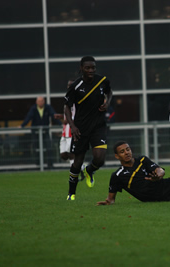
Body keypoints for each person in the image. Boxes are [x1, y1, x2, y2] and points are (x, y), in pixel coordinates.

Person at [64, 56, 113, 200]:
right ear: (81, 68)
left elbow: (109, 92)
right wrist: (72, 126)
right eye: (88, 68)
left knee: (100, 158)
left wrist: (107, 103)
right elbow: (66, 107)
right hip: (80, 128)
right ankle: (71, 193)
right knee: (77, 163)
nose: (91, 70)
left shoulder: (102, 81)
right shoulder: (75, 86)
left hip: (98, 126)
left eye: (93, 68)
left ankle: (90, 171)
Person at [54, 80, 85, 179]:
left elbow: (73, 117)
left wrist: (64, 119)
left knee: (71, 154)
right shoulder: (67, 98)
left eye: (71, 85)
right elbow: (67, 115)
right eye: (68, 85)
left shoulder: (77, 99)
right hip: (65, 132)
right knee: (63, 155)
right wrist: (61, 116)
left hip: (71, 132)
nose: (69, 87)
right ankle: (82, 167)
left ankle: (74, 173)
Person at [20, 96, 61, 168]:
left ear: (44, 101)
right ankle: (38, 164)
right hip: (35, 132)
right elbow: (28, 117)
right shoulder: (33, 108)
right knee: (36, 147)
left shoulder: (48, 108)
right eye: (39, 101)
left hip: (45, 131)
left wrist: (61, 124)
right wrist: (22, 125)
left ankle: (50, 164)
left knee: (49, 146)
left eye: (42, 101)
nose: (40, 103)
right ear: (36, 102)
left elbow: (54, 116)